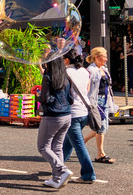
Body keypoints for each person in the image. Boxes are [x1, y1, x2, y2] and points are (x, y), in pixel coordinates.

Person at [37, 57, 74, 189]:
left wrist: (38, 96)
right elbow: (71, 99)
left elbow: (45, 99)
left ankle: (61, 170)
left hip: (53, 116)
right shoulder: (66, 77)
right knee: (57, 146)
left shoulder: (48, 77)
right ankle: (57, 178)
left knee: (43, 146)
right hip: (67, 115)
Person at [62, 52, 96, 184]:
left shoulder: (66, 72)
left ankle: (88, 175)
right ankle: (58, 166)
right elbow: (87, 90)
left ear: (66, 60)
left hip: (73, 112)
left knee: (78, 144)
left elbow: (63, 92)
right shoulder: (84, 71)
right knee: (69, 142)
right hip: (84, 111)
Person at [84, 47, 117, 164]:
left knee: (103, 126)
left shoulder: (103, 69)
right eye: (104, 57)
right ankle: (100, 154)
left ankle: (83, 141)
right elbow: (87, 88)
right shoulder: (91, 70)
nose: (106, 59)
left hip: (105, 100)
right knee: (101, 127)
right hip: (96, 101)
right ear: (97, 57)